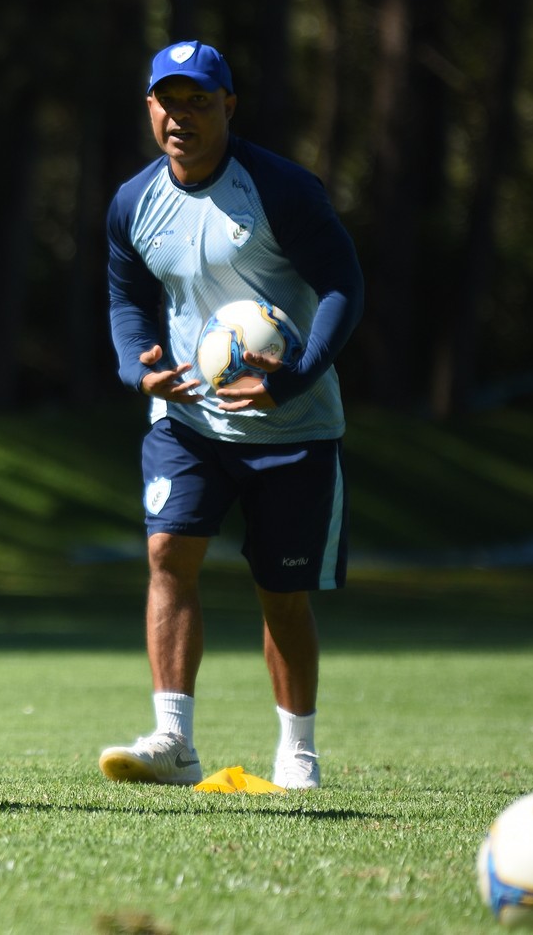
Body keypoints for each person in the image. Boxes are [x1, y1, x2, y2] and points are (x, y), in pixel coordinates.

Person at [100, 40, 363, 790]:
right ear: (150, 107)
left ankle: (298, 752)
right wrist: (138, 368)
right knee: (167, 556)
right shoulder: (134, 202)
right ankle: (174, 741)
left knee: (282, 595)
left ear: (229, 107)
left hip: (294, 428)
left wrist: (297, 379)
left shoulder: (281, 189)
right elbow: (126, 298)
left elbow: (344, 284)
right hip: (188, 423)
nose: (181, 117)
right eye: (168, 101)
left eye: (199, 101)